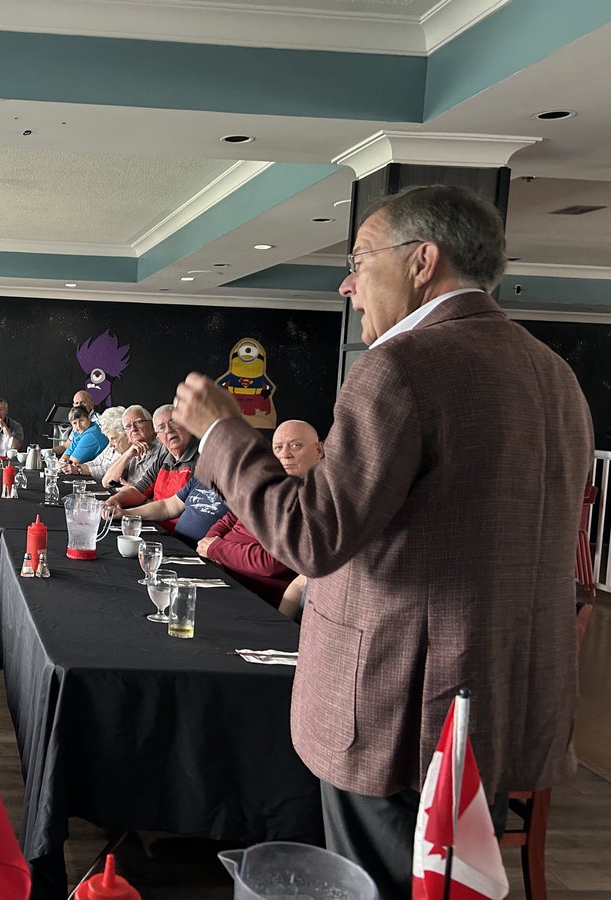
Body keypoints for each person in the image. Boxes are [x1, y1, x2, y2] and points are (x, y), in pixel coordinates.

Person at [172, 185, 593, 897]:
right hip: (496, 711)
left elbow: (312, 536)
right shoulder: (555, 375)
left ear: (423, 261)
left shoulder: (400, 368)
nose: (347, 283)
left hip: (399, 714)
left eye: (360, 259)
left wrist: (222, 436)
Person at [196, 420, 323, 607]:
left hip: (251, 598)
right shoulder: (270, 484)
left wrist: (216, 549)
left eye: (295, 446)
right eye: (278, 448)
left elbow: (271, 563)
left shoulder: (317, 500)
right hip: (220, 574)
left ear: (319, 451)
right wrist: (211, 547)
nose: (285, 455)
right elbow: (229, 519)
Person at [105, 404, 196, 532]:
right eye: (161, 428)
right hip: (153, 524)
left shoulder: (201, 460)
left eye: (174, 423)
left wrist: (125, 513)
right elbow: (139, 490)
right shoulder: (166, 457)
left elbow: (171, 507)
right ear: (158, 436)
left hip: (176, 534)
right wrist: (116, 499)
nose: (168, 431)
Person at [98, 405, 162, 489]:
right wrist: (127, 455)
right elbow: (107, 482)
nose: (133, 429)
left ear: (151, 424)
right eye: (128, 427)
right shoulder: (133, 450)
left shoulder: (163, 450)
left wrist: (134, 491)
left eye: (139, 422)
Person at [62, 405, 124, 478]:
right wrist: (80, 467)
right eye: (74, 423)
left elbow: (109, 470)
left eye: (81, 420)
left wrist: (79, 469)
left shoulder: (92, 434)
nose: (78, 426)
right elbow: (97, 462)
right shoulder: (78, 433)